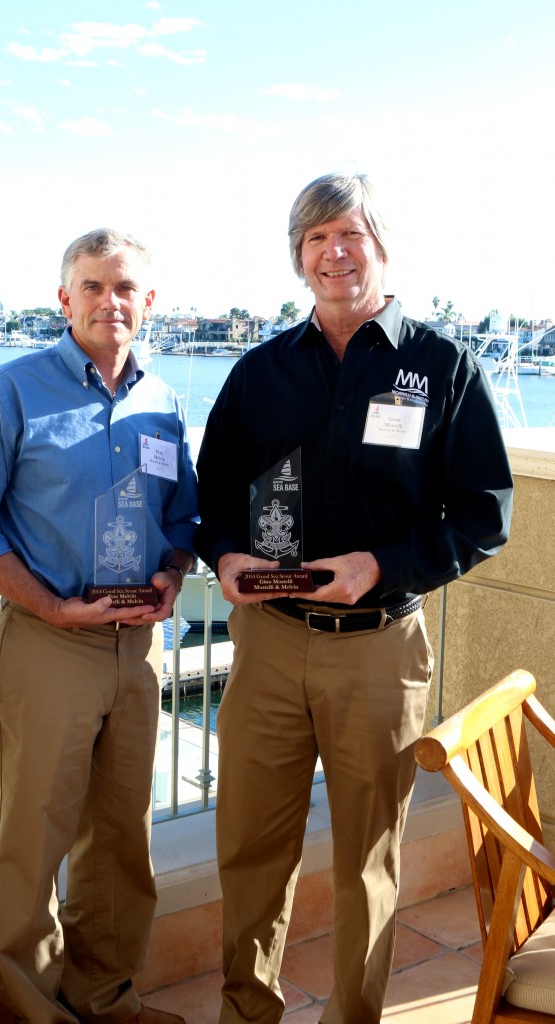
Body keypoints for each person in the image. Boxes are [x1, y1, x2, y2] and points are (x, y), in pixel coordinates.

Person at [195, 173, 513, 1024]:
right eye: (315, 238)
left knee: (368, 855)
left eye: (350, 234)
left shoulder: (441, 365)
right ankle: (245, 1012)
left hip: (381, 646)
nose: (334, 253)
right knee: (252, 849)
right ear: (298, 258)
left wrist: (384, 563)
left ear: (379, 246)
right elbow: (215, 491)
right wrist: (223, 553)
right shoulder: (261, 371)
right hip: (268, 640)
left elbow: (485, 515)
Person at [0, 229, 198, 1024]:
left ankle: (108, 1001)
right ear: (65, 298)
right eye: (92, 286)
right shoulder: (8, 390)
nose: (109, 302)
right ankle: (35, 1010)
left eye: (125, 288)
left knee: (122, 841)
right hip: (47, 642)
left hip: (138, 647)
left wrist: (175, 568)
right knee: (34, 842)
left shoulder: (163, 401)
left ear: (147, 303)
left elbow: (183, 511)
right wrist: (50, 605)